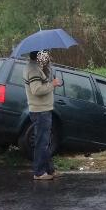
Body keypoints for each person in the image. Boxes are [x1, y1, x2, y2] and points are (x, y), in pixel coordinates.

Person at [24, 50, 62, 180]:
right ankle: (39, 173)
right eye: (46, 54)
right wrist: (53, 84)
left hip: (44, 109)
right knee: (42, 142)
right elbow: (37, 90)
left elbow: (43, 82)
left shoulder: (37, 67)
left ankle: (49, 170)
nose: (48, 56)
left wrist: (48, 68)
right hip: (40, 111)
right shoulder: (33, 69)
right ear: (39, 55)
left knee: (45, 142)